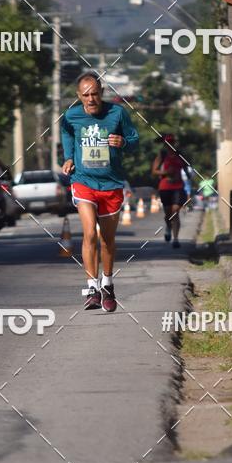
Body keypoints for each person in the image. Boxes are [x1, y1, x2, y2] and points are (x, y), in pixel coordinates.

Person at [61, 72, 139, 312]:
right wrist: (68, 157)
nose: (91, 99)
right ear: (78, 96)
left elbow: (134, 139)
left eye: (95, 93)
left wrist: (123, 143)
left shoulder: (117, 113)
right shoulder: (71, 116)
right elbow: (66, 133)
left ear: (101, 93)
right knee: (89, 233)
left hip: (111, 184)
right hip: (83, 181)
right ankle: (92, 288)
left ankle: (108, 283)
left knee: (107, 240)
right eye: (85, 95)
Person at [152, 134, 189, 248]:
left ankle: (176, 239)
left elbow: (186, 168)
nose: (170, 145)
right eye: (168, 143)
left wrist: (188, 174)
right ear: (165, 144)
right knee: (168, 213)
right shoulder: (162, 155)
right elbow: (154, 171)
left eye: (172, 142)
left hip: (178, 186)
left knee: (175, 211)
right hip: (165, 187)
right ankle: (168, 227)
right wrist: (166, 172)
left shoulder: (180, 155)